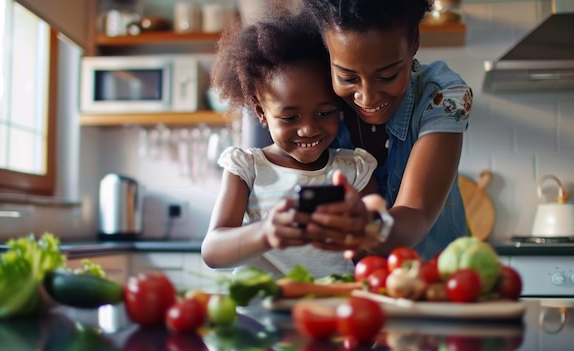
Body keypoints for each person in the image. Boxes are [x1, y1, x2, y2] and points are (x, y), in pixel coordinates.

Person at [201, 11, 377, 279]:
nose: (308, 129)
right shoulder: (247, 168)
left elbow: (372, 252)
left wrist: (359, 231)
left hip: (333, 310)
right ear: (261, 112)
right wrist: (266, 231)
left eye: (324, 113)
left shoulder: (355, 169)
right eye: (290, 117)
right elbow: (212, 251)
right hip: (261, 313)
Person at [299, 0, 473, 260]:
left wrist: (369, 228)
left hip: (441, 282)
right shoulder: (314, 105)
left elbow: (416, 212)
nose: (367, 99)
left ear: (414, 41)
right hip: (357, 286)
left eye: (387, 76)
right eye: (347, 78)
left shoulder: (443, 95)